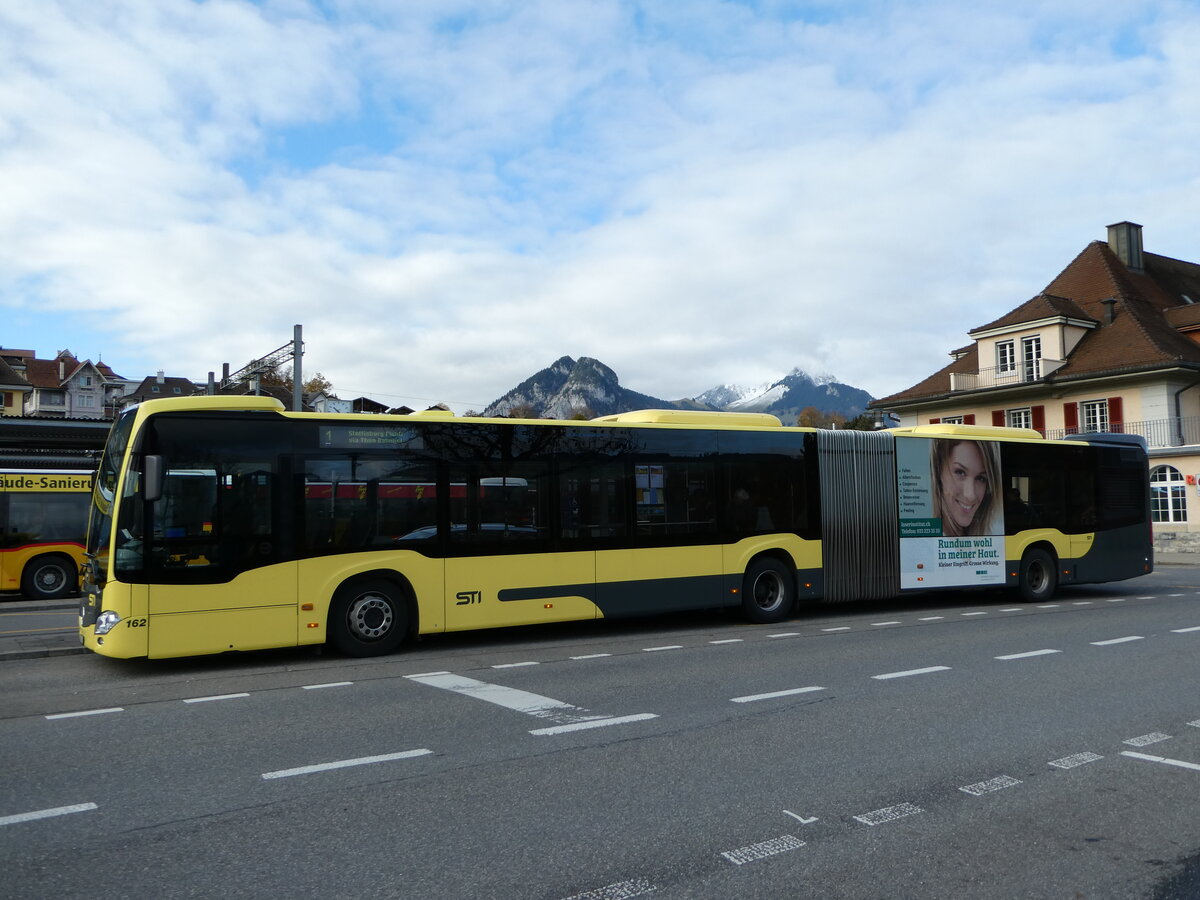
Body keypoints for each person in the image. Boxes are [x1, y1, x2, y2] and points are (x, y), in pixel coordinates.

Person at [931, 439, 1002, 536]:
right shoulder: (923, 543)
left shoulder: (994, 536)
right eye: (960, 472)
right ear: (938, 471)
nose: (970, 495)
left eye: (980, 478)